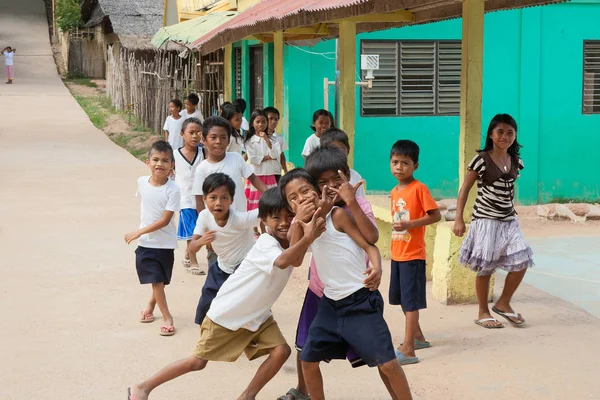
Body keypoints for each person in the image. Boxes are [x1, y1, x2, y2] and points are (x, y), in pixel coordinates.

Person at [127, 188, 326, 400]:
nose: (285, 223)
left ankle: (246, 397)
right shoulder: (267, 243)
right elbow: (287, 260)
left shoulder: (293, 242)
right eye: (276, 217)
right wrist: (306, 234)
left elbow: (306, 247)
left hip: (257, 316)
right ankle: (143, 387)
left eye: (290, 216)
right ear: (265, 221)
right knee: (197, 362)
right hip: (227, 314)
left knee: (281, 351)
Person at [281, 169, 413, 400]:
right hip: (330, 304)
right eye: (293, 198)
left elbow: (369, 245)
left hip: (360, 300)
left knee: (388, 364)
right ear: (291, 207)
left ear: (318, 191)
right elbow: (295, 259)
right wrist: (303, 226)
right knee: (308, 360)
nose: (301, 199)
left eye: (305, 191)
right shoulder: (299, 225)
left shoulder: (337, 216)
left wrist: (375, 266)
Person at [278, 150, 379, 400]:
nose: (331, 187)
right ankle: (304, 391)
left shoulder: (355, 207)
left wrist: (352, 201)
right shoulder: (309, 214)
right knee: (305, 346)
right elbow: (296, 256)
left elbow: (372, 240)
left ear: (347, 177)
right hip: (320, 290)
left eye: (337, 180)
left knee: (379, 355)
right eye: (322, 183)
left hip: (356, 291)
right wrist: (301, 221)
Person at [453, 114, 533, 329]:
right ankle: (482, 312)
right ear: (491, 134)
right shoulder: (481, 159)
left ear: (515, 136)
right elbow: (464, 190)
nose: (505, 136)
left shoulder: (517, 161)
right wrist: (459, 218)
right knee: (486, 267)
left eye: (510, 133)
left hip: (509, 221)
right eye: (500, 132)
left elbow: (509, 191)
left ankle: (503, 303)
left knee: (522, 259)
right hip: (485, 221)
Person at [389, 140, 441, 365]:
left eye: (405, 163)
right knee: (402, 299)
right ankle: (418, 337)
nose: (399, 167)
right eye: (395, 162)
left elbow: (435, 215)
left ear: (415, 166)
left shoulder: (419, 188)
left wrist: (410, 225)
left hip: (413, 255)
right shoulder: (394, 190)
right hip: (397, 253)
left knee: (411, 303)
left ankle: (409, 349)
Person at [124, 141, 180, 337]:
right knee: (156, 281)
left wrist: (138, 231)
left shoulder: (173, 190)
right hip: (146, 244)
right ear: (147, 162)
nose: (160, 164)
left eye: (165, 161)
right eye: (155, 160)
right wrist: (142, 234)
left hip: (165, 244)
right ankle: (167, 317)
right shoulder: (141, 182)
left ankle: (149, 307)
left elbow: (165, 220)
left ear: (172, 165)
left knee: (161, 282)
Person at [191, 116, 267, 262]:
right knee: (217, 263)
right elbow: (199, 199)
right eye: (213, 137)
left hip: (240, 222)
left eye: (223, 137)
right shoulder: (202, 169)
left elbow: (253, 179)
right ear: (204, 140)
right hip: (217, 227)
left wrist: (271, 193)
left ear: (228, 140)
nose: (218, 141)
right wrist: (207, 226)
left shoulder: (236, 158)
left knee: (244, 263)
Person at [189, 173, 260, 325]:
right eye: (213, 197)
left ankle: (254, 333)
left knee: (245, 303)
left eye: (224, 198)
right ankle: (205, 330)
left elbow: (264, 212)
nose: (218, 203)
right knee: (207, 298)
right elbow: (192, 248)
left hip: (243, 268)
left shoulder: (240, 220)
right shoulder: (204, 216)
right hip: (222, 266)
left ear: (232, 200)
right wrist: (202, 240)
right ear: (204, 199)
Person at [173, 118, 205, 275]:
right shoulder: (175, 155)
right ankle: (194, 261)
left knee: (203, 228)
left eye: (198, 133)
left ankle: (187, 252)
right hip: (185, 199)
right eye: (191, 132)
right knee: (193, 233)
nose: (195, 136)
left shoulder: (204, 153)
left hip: (204, 199)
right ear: (182, 134)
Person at [244, 109, 281, 212]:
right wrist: (268, 157)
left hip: (269, 174)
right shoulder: (249, 141)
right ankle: (255, 228)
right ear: (252, 123)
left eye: (264, 122)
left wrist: (267, 140)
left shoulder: (273, 139)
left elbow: (275, 155)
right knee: (255, 205)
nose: (261, 124)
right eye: (258, 122)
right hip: (256, 175)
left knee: (269, 203)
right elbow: (253, 159)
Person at [320, 128, 366, 198]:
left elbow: (362, 204)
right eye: (332, 150)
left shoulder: (356, 177)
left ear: (348, 150)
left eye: (340, 150)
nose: (337, 154)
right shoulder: (320, 177)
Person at [264, 106, 288, 182]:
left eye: (276, 119)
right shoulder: (259, 137)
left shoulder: (279, 138)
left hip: (276, 173)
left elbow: (282, 155)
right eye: (270, 118)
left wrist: (285, 171)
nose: (273, 121)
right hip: (262, 174)